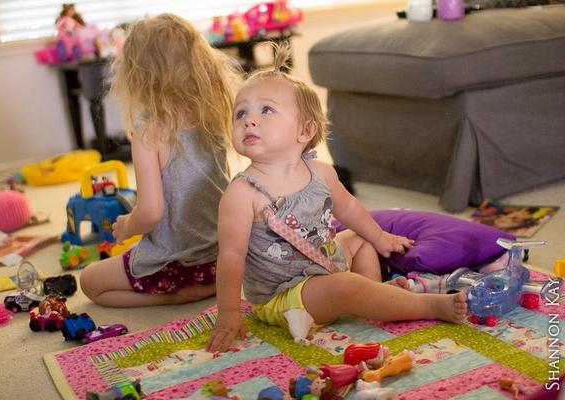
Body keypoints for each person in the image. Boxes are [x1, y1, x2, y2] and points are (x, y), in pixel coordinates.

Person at [206, 44, 468, 352]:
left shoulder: (320, 172)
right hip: (285, 294)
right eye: (241, 113)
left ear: (305, 130)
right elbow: (231, 256)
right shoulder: (242, 193)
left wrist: (381, 237)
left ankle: (374, 295)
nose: (249, 120)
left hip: (326, 261)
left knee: (362, 240)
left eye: (266, 110)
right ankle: (426, 306)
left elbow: (349, 208)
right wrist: (228, 313)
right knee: (345, 286)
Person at [80, 13, 239, 307]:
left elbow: (150, 213)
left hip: (175, 264)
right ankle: (205, 286)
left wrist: (127, 226)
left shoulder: (148, 134)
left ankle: (174, 296)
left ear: (138, 77)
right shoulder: (213, 116)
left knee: (90, 281)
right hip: (223, 257)